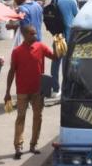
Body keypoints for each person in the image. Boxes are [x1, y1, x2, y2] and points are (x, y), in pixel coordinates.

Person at [4, 25, 56, 160]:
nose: (35, 36)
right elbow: (11, 72)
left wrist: (59, 45)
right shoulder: (17, 51)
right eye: (32, 34)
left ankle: (33, 144)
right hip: (22, 91)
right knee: (20, 117)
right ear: (25, 35)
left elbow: (55, 57)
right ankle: (18, 146)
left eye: (35, 33)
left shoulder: (41, 47)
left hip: (38, 90)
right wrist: (7, 92)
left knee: (38, 117)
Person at [48, 0, 80, 98]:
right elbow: (77, 16)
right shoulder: (72, 1)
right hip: (68, 36)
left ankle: (55, 90)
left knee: (56, 63)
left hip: (57, 36)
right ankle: (66, 89)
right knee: (68, 64)